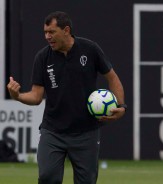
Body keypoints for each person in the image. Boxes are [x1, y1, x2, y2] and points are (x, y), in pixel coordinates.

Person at [6, 11, 127, 184]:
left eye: (52, 32)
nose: (47, 37)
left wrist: (121, 106)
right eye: (45, 32)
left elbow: (112, 78)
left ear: (66, 30)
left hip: (86, 132)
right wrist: (17, 96)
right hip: (53, 132)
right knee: (48, 177)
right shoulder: (42, 57)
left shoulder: (90, 49)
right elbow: (36, 96)